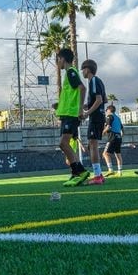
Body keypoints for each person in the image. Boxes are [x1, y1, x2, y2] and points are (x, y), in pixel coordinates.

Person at [55, 48, 90, 187]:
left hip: (71, 114)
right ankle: (75, 174)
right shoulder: (69, 73)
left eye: (58, 59)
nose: (57, 63)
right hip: (67, 114)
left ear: (62, 59)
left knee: (63, 144)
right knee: (65, 144)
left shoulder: (71, 72)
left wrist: (80, 108)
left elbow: (82, 88)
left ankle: (80, 171)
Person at [79, 59, 107, 185]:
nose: (82, 72)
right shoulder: (97, 81)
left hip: (96, 118)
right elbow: (104, 99)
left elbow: (100, 100)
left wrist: (87, 112)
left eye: (83, 69)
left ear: (88, 69)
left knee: (93, 145)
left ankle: (97, 176)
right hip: (98, 116)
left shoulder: (94, 80)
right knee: (92, 145)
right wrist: (88, 105)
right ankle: (99, 174)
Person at [102, 104, 124, 176]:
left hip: (112, 137)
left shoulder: (109, 116)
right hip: (119, 137)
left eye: (106, 110)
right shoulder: (118, 118)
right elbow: (122, 130)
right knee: (118, 154)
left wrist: (103, 132)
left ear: (109, 110)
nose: (106, 112)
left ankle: (110, 169)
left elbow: (108, 127)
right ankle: (120, 172)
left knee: (105, 154)